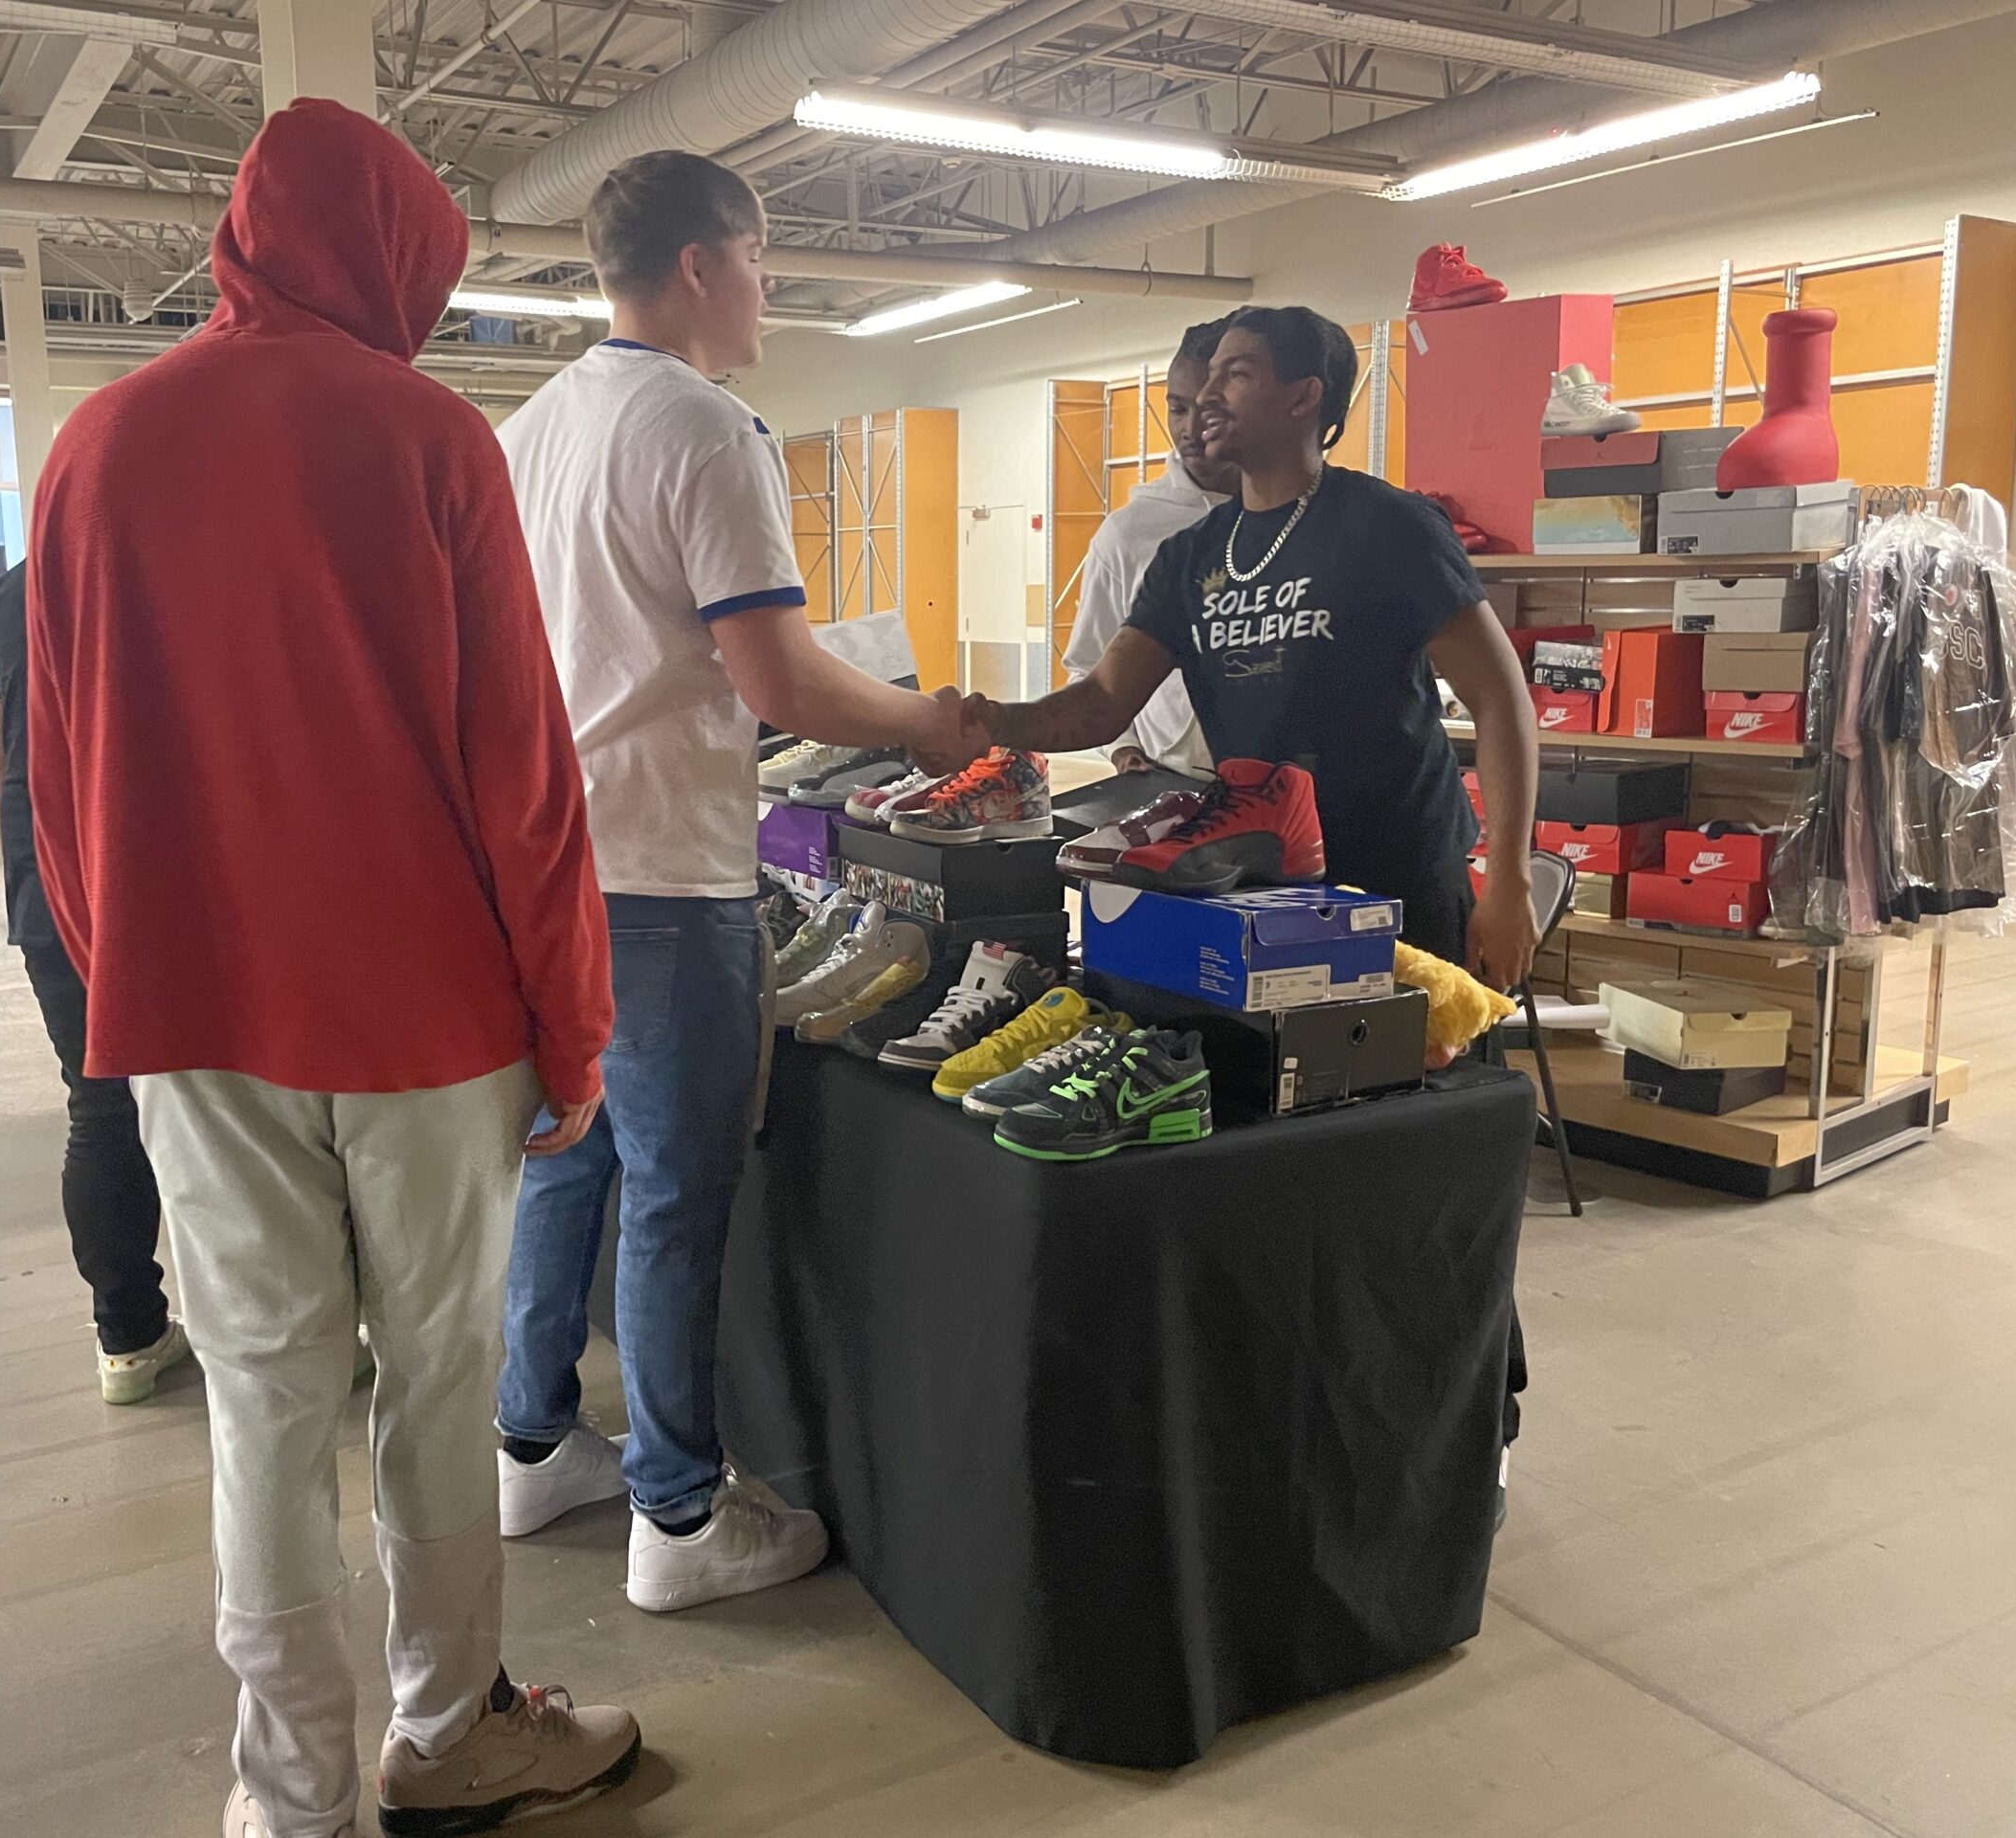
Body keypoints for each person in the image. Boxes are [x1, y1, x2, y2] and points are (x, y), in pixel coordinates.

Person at [24, 101, 639, 1838]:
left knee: (265, 1393)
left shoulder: (96, 447)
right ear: (387, 259)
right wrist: (571, 1030)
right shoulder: (430, 438)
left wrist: (120, 985)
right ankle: (448, 1739)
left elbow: (57, 774)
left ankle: (286, 1795)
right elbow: (522, 775)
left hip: (193, 1017)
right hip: (431, 1019)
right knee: (438, 1378)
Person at [493, 149, 986, 1613]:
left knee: (564, 1164)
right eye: (764, 259)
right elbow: (776, 675)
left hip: (556, 863)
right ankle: (682, 1514)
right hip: (666, 875)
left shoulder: (530, 430)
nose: (772, 287)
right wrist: (927, 719)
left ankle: (530, 1443)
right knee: (675, 1194)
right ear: (703, 264)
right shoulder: (707, 428)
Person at [970, 303, 1539, 984]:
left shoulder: (1389, 525)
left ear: (1305, 396)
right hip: (1259, 868)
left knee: (1413, 1078)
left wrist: (1510, 879)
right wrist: (987, 722)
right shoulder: (1190, 556)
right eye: (1209, 376)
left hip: (1396, 871)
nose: (1208, 396)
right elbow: (1102, 702)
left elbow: (1500, 700)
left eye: (1236, 375)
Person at [0, 561, 188, 1406]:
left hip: (48, 881)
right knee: (240, 1105)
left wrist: (25, 866)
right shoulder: (173, 561)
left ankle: (127, 1339)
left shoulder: (10, 590)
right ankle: (285, 1325)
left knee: (99, 1107)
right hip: (169, 875)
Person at [1061, 316, 1242, 781]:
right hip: (1171, 780)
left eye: (1213, 409)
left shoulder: (1313, 520)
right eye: (1178, 408)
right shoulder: (1131, 533)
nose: (1191, 428)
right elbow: (1088, 667)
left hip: (1292, 790)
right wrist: (1121, 748)